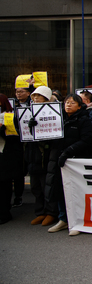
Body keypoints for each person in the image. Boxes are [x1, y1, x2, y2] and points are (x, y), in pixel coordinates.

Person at [47, 94, 92, 235]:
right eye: (66, 102)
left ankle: (78, 221)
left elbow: (87, 139)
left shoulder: (85, 120)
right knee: (60, 190)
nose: (68, 105)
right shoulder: (58, 119)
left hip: (75, 161)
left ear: (79, 105)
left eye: (72, 103)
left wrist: (68, 152)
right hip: (59, 160)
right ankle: (63, 219)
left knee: (76, 192)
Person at [24, 86, 58, 226]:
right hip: (32, 154)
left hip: (46, 155)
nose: (36, 98)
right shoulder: (27, 110)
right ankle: (40, 212)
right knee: (35, 187)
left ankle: (51, 213)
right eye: (34, 96)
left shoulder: (52, 112)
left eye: (39, 96)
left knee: (47, 187)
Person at [0, 95, 19, 224]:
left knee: (3, 187)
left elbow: (14, 138)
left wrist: (2, 129)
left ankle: (4, 213)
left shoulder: (10, 117)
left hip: (4, 156)